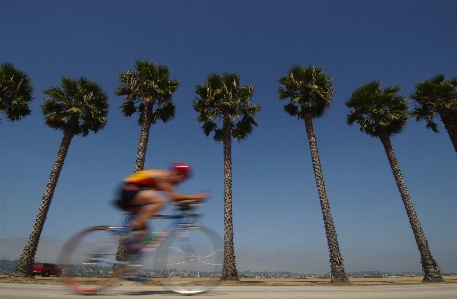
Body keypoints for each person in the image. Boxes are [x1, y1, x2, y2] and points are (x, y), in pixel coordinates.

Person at [115, 162, 208, 246]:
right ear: (178, 174)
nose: (182, 181)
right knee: (159, 201)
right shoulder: (162, 176)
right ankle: (137, 223)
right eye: (183, 178)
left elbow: (176, 200)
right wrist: (195, 197)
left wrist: (190, 204)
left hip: (131, 193)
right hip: (129, 188)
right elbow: (175, 197)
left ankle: (132, 255)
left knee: (144, 232)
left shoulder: (168, 183)